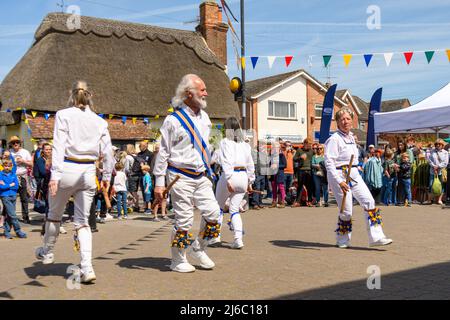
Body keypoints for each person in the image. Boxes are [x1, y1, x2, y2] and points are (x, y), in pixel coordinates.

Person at [35, 81, 114, 284]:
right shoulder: (99, 121)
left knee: (54, 215)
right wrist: (106, 178)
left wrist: (55, 175)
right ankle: (87, 267)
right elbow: (108, 151)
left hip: (68, 168)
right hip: (88, 171)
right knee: (83, 222)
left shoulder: (63, 114)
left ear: (71, 95)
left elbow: (59, 146)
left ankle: (48, 251)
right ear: (90, 96)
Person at [153, 74, 221, 273]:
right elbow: (163, 152)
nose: (206, 93)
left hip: (201, 176)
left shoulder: (205, 118)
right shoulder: (172, 120)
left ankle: (198, 248)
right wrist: (159, 182)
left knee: (214, 214)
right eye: (202, 90)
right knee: (184, 219)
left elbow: (206, 146)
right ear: (188, 93)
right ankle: (177, 259)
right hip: (179, 176)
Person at [324, 107, 392, 248]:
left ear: (352, 121)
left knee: (369, 201)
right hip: (340, 175)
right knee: (346, 210)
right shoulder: (334, 139)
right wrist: (339, 181)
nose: (345, 121)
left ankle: (377, 237)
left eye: (348, 118)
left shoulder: (351, 138)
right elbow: (329, 162)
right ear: (337, 122)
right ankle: (342, 239)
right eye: (342, 119)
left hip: (354, 174)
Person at [214, 117, 255, 248]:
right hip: (243, 177)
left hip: (231, 175)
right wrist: (250, 181)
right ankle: (238, 240)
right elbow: (250, 164)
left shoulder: (225, 142)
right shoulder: (245, 144)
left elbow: (227, 161)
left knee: (218, 208)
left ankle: (215, 237)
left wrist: (228, 178)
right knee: (234, 210)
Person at [0, 155, 27, 239]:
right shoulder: (1, 174)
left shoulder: (13, 174)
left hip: (13, 196)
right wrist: (10, 185)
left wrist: (6, 185)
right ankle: (18, 231)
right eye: (5, 166)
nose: (7, 167)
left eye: (9, 166)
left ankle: (7, 232)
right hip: (5, 196)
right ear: (3, 166)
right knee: (13, 215)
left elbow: (16, 186)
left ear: (11, 166)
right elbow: (1, 187)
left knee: (9, 215)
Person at [9, 136, 32, 224]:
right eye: (13, 143)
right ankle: (12, 217)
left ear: (20, 143)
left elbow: (31, 164)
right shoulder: (9, 152)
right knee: (11, 198)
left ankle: (26, 217)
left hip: (22, 177)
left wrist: (23, 161)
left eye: (17, 142)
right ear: (11, 144)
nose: (15, 144)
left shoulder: (25, 152)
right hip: (11, 177)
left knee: (24, 198)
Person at [426, 139, 448, 205]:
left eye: (439, 144)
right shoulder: (432, 151)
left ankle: (439, 199)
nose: (438, 145)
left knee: (441, 186)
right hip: (432, 171)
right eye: (436, 144)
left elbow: (445, 162)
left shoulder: (445, 152)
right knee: (431, 185)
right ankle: (430, 199)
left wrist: (438, 166)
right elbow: (429, 160)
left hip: (441, 171)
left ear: (442, 145)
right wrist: (433, 166)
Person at [293, 138, 314, 207]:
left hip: (309, 170)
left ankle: (310, 201)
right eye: (308, 144)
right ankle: (298, 202)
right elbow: (294, 159)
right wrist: (300, 157)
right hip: (301, 170)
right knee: (300, 187)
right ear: (304, 143)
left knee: (309, 187)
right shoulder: (299, 150)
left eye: (310, 144)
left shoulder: (311, 151)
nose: (309, 146)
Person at [269, 143, 287, 208]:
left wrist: (277, 166)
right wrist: (271, 166)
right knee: (273, 188)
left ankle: (282, 202)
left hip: (279, 174)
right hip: (273, 174)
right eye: (274, 147)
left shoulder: (282, 155)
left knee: (281, 187)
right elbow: (270, 164)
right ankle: (274, 201)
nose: (275, 149)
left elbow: (285, 165)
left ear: (279, 148)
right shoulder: (272, 156)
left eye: (276, 147)